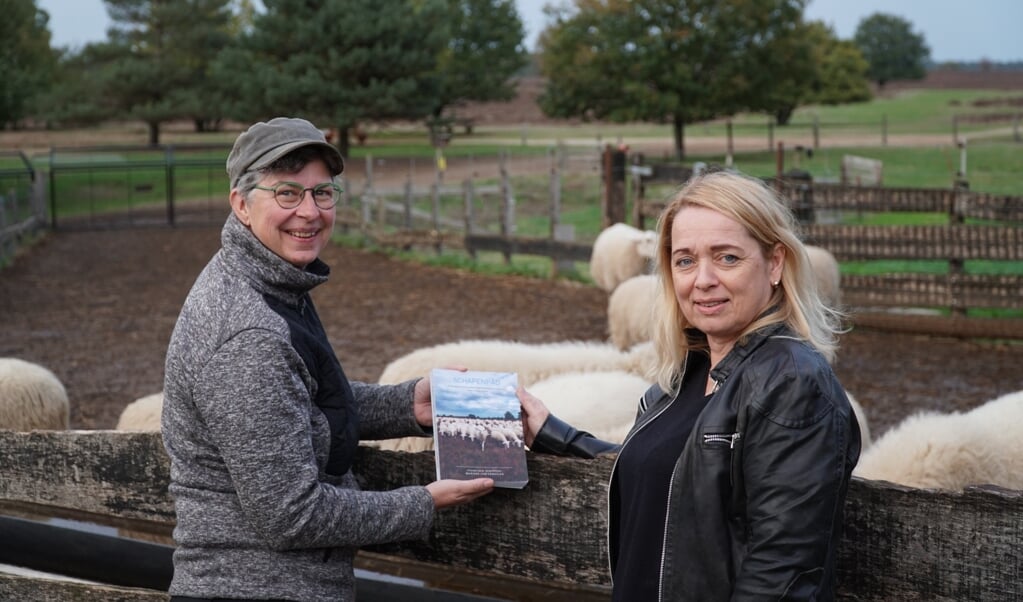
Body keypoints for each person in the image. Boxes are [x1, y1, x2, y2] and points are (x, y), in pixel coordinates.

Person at [161, 117, 494, 602]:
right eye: (288, 193)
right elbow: (291, 515)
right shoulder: (248, 334)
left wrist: (409, 405)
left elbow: (297, 396)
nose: (310, 212)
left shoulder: (268, 281)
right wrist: (423, 502)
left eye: (322, 193)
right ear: (241, 205)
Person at [518, 169, 861, 601]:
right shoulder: (684, 377)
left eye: (727, 258)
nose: (702, 280)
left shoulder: (791, 383)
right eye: (685, 260)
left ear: (775, 262)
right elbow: (672, 476)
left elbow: (782, 574)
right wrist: (555, 434)